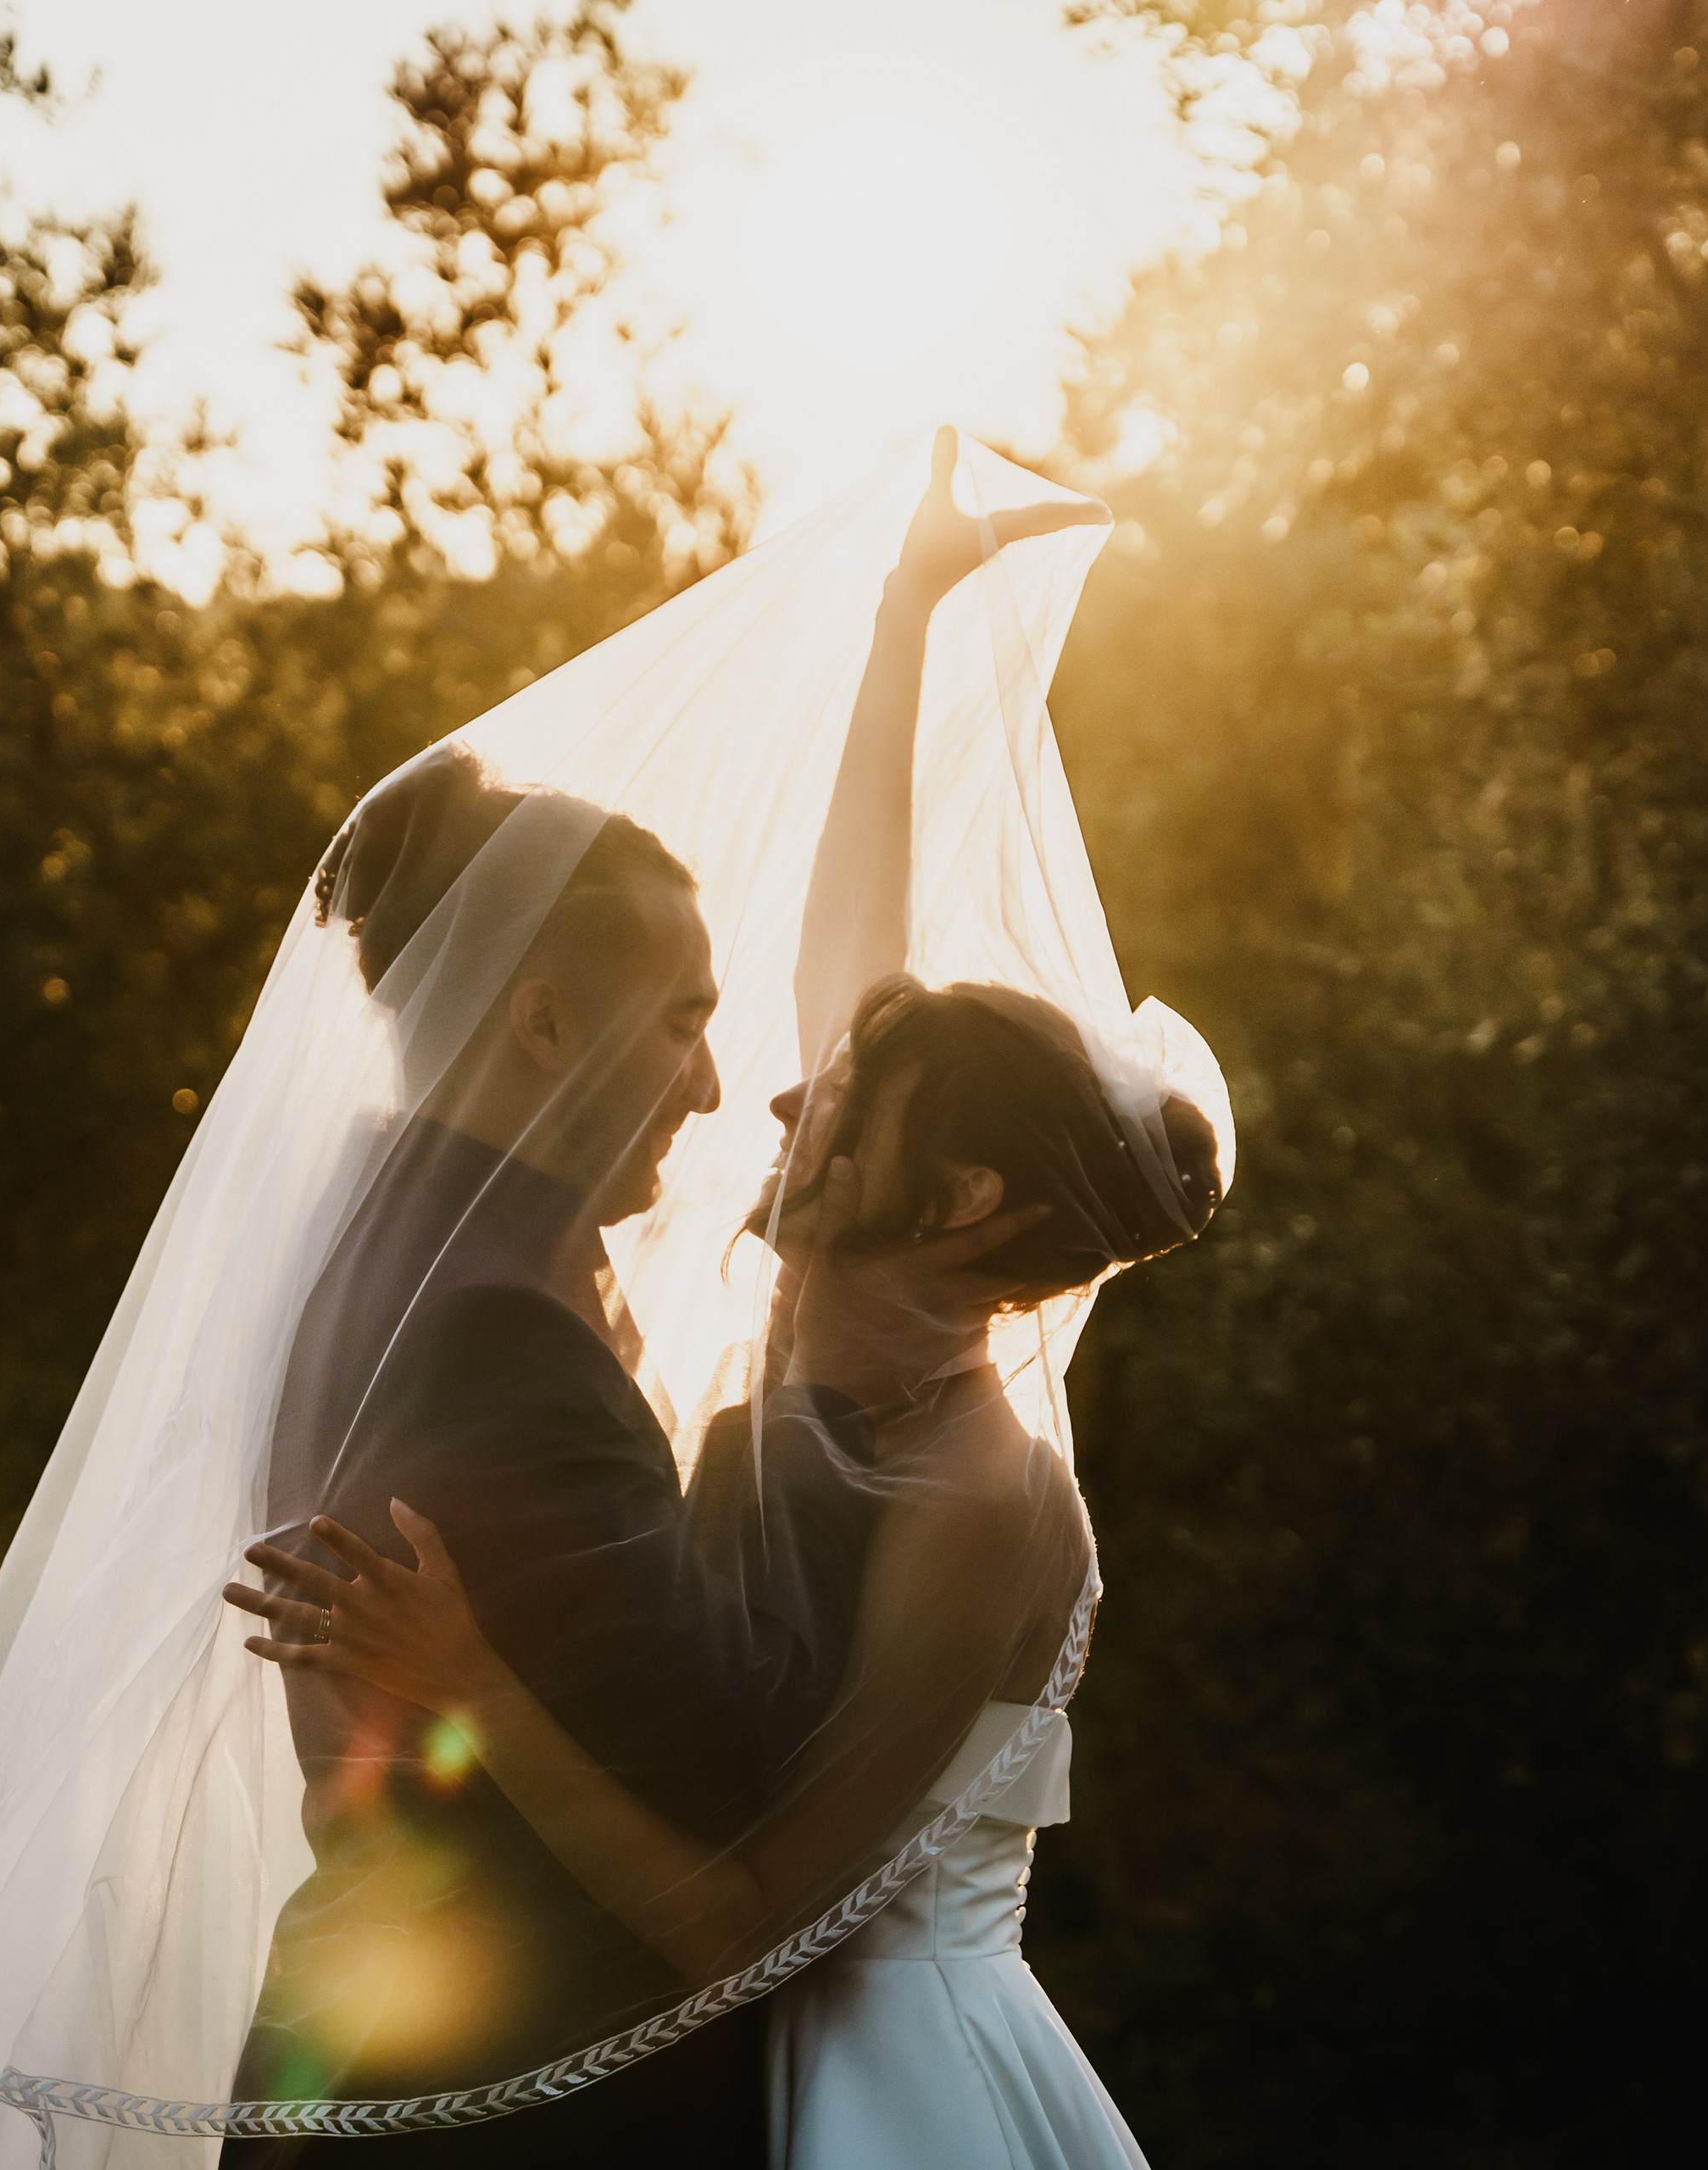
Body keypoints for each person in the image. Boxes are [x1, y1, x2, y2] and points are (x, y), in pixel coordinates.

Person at [227, 431, 1225, 2167]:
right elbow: (867, 944)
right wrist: (908, 615)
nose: (782, 1091)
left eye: (846, 1099)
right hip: (701, 2063)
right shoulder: (819, 1320)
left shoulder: (985, 1495)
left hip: (878, 2071)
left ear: (960, 1197)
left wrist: (469, 1681)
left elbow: (748, 1920)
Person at [218, 750, 1038, 2168]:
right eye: (679, 1023)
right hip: (525, 2097)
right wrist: (817, 1405)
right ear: (541, 1020)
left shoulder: (382, 1255)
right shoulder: (499, 1332)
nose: (717, 1089)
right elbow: (735, 1760)